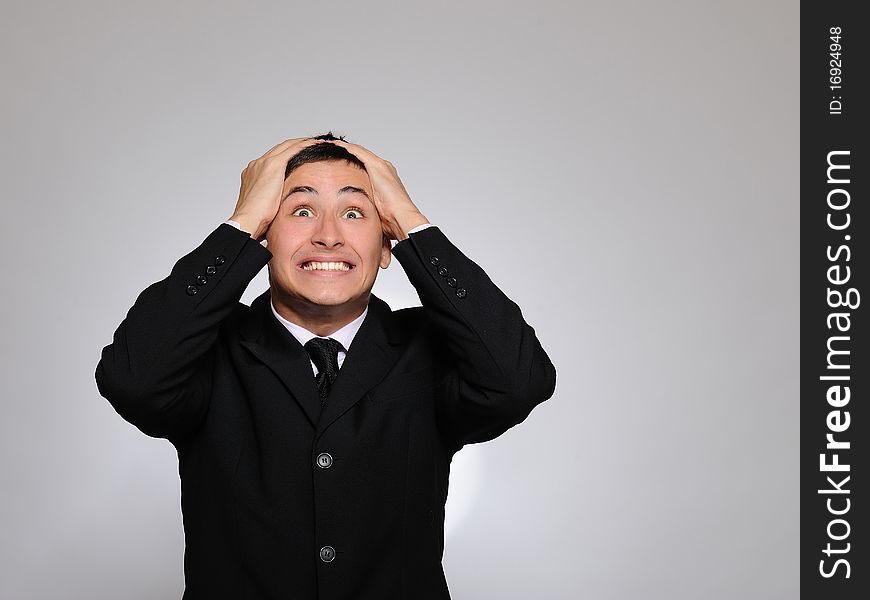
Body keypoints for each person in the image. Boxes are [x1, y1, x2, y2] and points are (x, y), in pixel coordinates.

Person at [95, 133, 557, 600]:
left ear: (384, 248)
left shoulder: (429, 351)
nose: (328, 235)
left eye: (354, 213)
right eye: (301, 211)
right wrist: (239, 225)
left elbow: (519, 381)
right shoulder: (208, 350)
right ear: (264, 239)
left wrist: (413, 222)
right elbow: (133, 379)